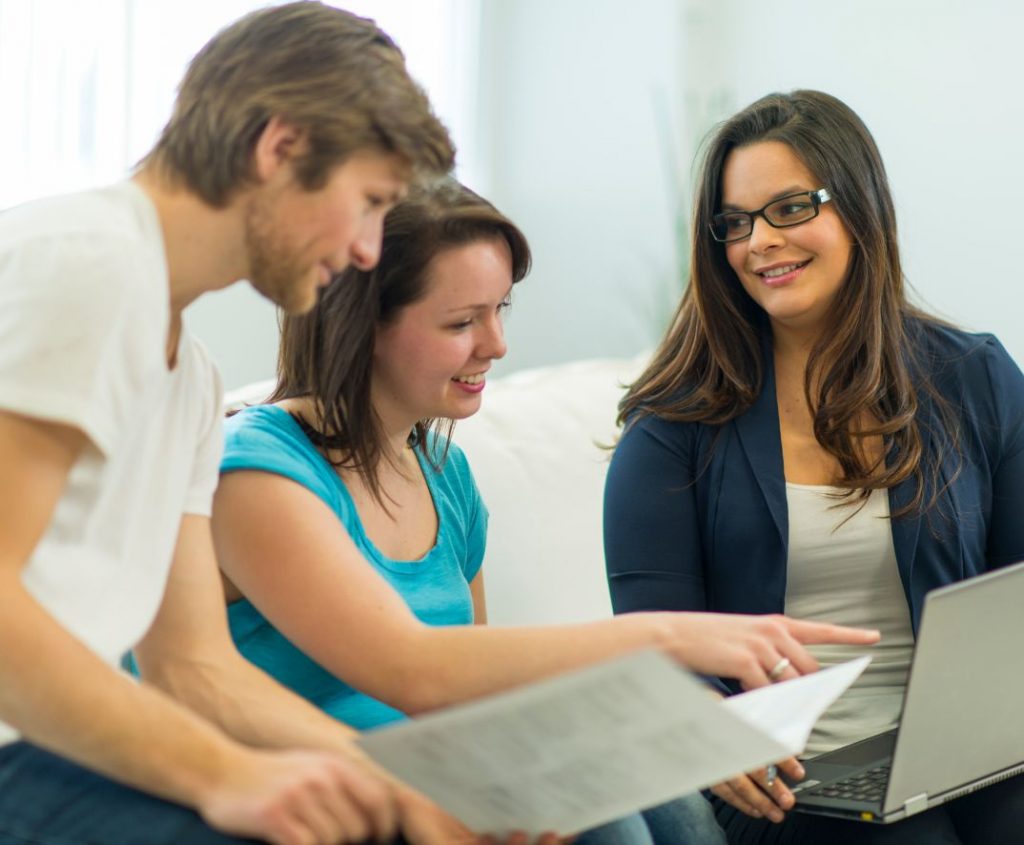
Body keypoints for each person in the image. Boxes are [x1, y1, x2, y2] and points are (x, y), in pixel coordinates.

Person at [210, 176, 880, 844]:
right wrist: (667, 637)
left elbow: (471, 685)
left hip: (441, 769)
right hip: (321, 786)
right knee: (613, 825)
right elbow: (414, 669)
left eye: (501, 308)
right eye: (462, 321)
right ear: (364, 327)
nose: (496, 344)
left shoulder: (443, 473)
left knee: (671, 801)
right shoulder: (259, 468)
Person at [0, 3, 487, 843]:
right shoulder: (87, 266)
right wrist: (230, 775)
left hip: (65, 744)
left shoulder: (190, 378)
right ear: (281, 147)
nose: (372, 248)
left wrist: (397, 782)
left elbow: (191, 666)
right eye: (369, 201)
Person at [603, 89, 1024, 845]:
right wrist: (703, 720)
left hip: (974, 754)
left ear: (860, 209)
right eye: (736, 223)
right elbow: (652, 646)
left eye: (790, 208)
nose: (760, 242)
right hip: (792, 781)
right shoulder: (673, 424)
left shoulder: (976, 377)